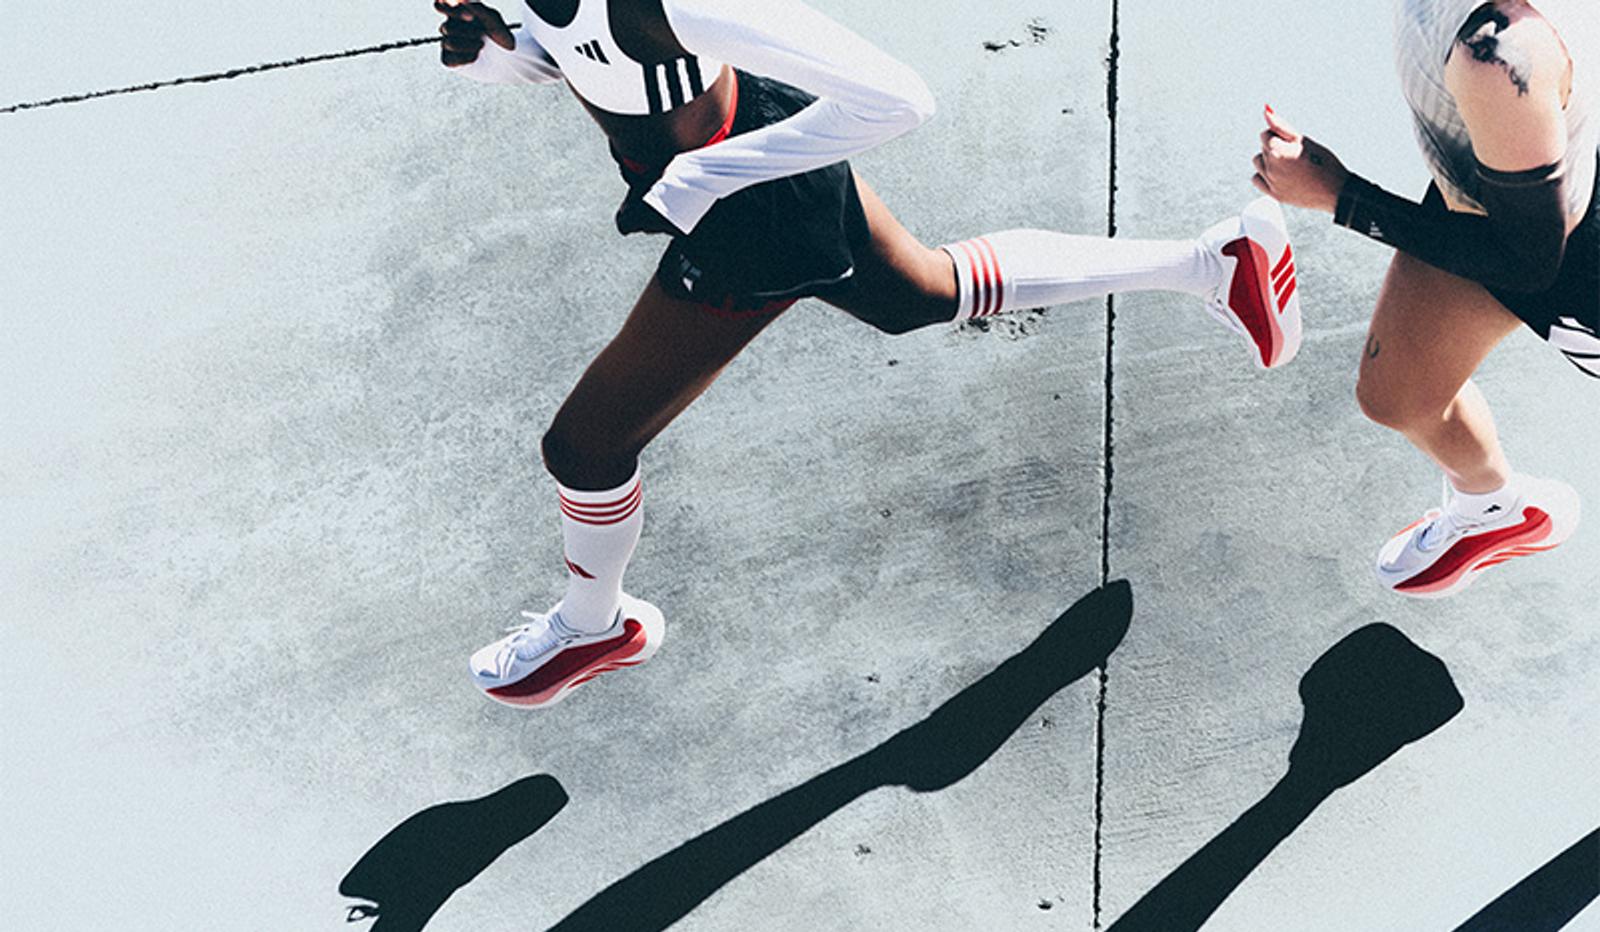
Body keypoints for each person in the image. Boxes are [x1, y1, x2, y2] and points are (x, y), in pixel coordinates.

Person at [437, 0, 1303, 707]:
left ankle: (598, 624)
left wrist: (709, 179)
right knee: (921, 292)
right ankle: (1212, 264)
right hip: (752, 166)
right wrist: (502, 53)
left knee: (584, 447)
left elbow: (898, 98)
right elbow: (581, 57)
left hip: (750, 217)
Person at [1253, 0, 1594, 599]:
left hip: (1563, 256)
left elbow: (1528, 262)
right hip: (1498, 187)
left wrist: (1342, 198)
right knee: (1397, 395)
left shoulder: (1499, 54)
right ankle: (1496, 509)